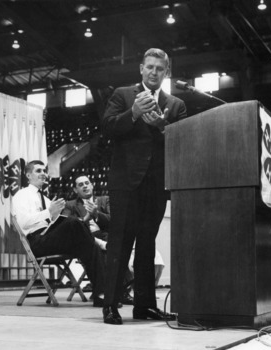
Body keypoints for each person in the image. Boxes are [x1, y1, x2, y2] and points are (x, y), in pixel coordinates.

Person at [101, 48, 187, 324]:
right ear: (141, 68)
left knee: (147, 245)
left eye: (159, 69)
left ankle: (145, 306)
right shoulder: (123, 95)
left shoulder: (175, 105)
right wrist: (134, 112)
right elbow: (108, 128)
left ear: (166, 72)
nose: (153, 72)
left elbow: (182, 143)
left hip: (156, 185)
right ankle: (111, 306)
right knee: (120, 244)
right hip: (125, 184)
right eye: (149, 67)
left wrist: (163, 126)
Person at [12, 160, 106, 308]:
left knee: (87, 246)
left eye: (44, 170)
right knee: (75, 224)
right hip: (37, 242)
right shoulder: (21, 195)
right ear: (28, 175)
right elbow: (23, 223)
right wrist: (49, 212)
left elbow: (57, 223)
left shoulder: (48, 199)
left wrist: (56, 215)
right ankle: (99, 243)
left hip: (51, 238)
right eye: (38, 171)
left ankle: (101, 294)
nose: (43, 173)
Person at [62, 174, 133, 305]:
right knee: (105, 250)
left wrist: (96, 214)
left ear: (92, 185)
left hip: (105, 236)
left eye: (86, 183)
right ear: (75, 190)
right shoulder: (70, 205)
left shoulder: (105, 200)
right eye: (80, 184)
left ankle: (107, 292)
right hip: (85, 238)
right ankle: (117, 292)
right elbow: (66, 226)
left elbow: (115, 220)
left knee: (114, 247)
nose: (84, 186)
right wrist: (85, 219)